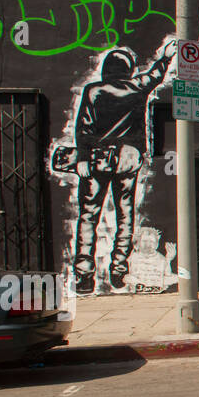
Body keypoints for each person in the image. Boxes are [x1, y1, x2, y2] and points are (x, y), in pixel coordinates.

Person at [71, 40, 174, 293]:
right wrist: (166, 56)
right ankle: (119, 270)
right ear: (128, 70)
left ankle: (85, 275)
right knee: (125, 215)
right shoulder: (137, 86)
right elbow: (155, 75)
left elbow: (83, 127)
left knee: (88, 215)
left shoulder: (93, 90)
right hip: (128, 158)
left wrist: (82, 158)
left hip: (96, 158)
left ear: (106, 68)